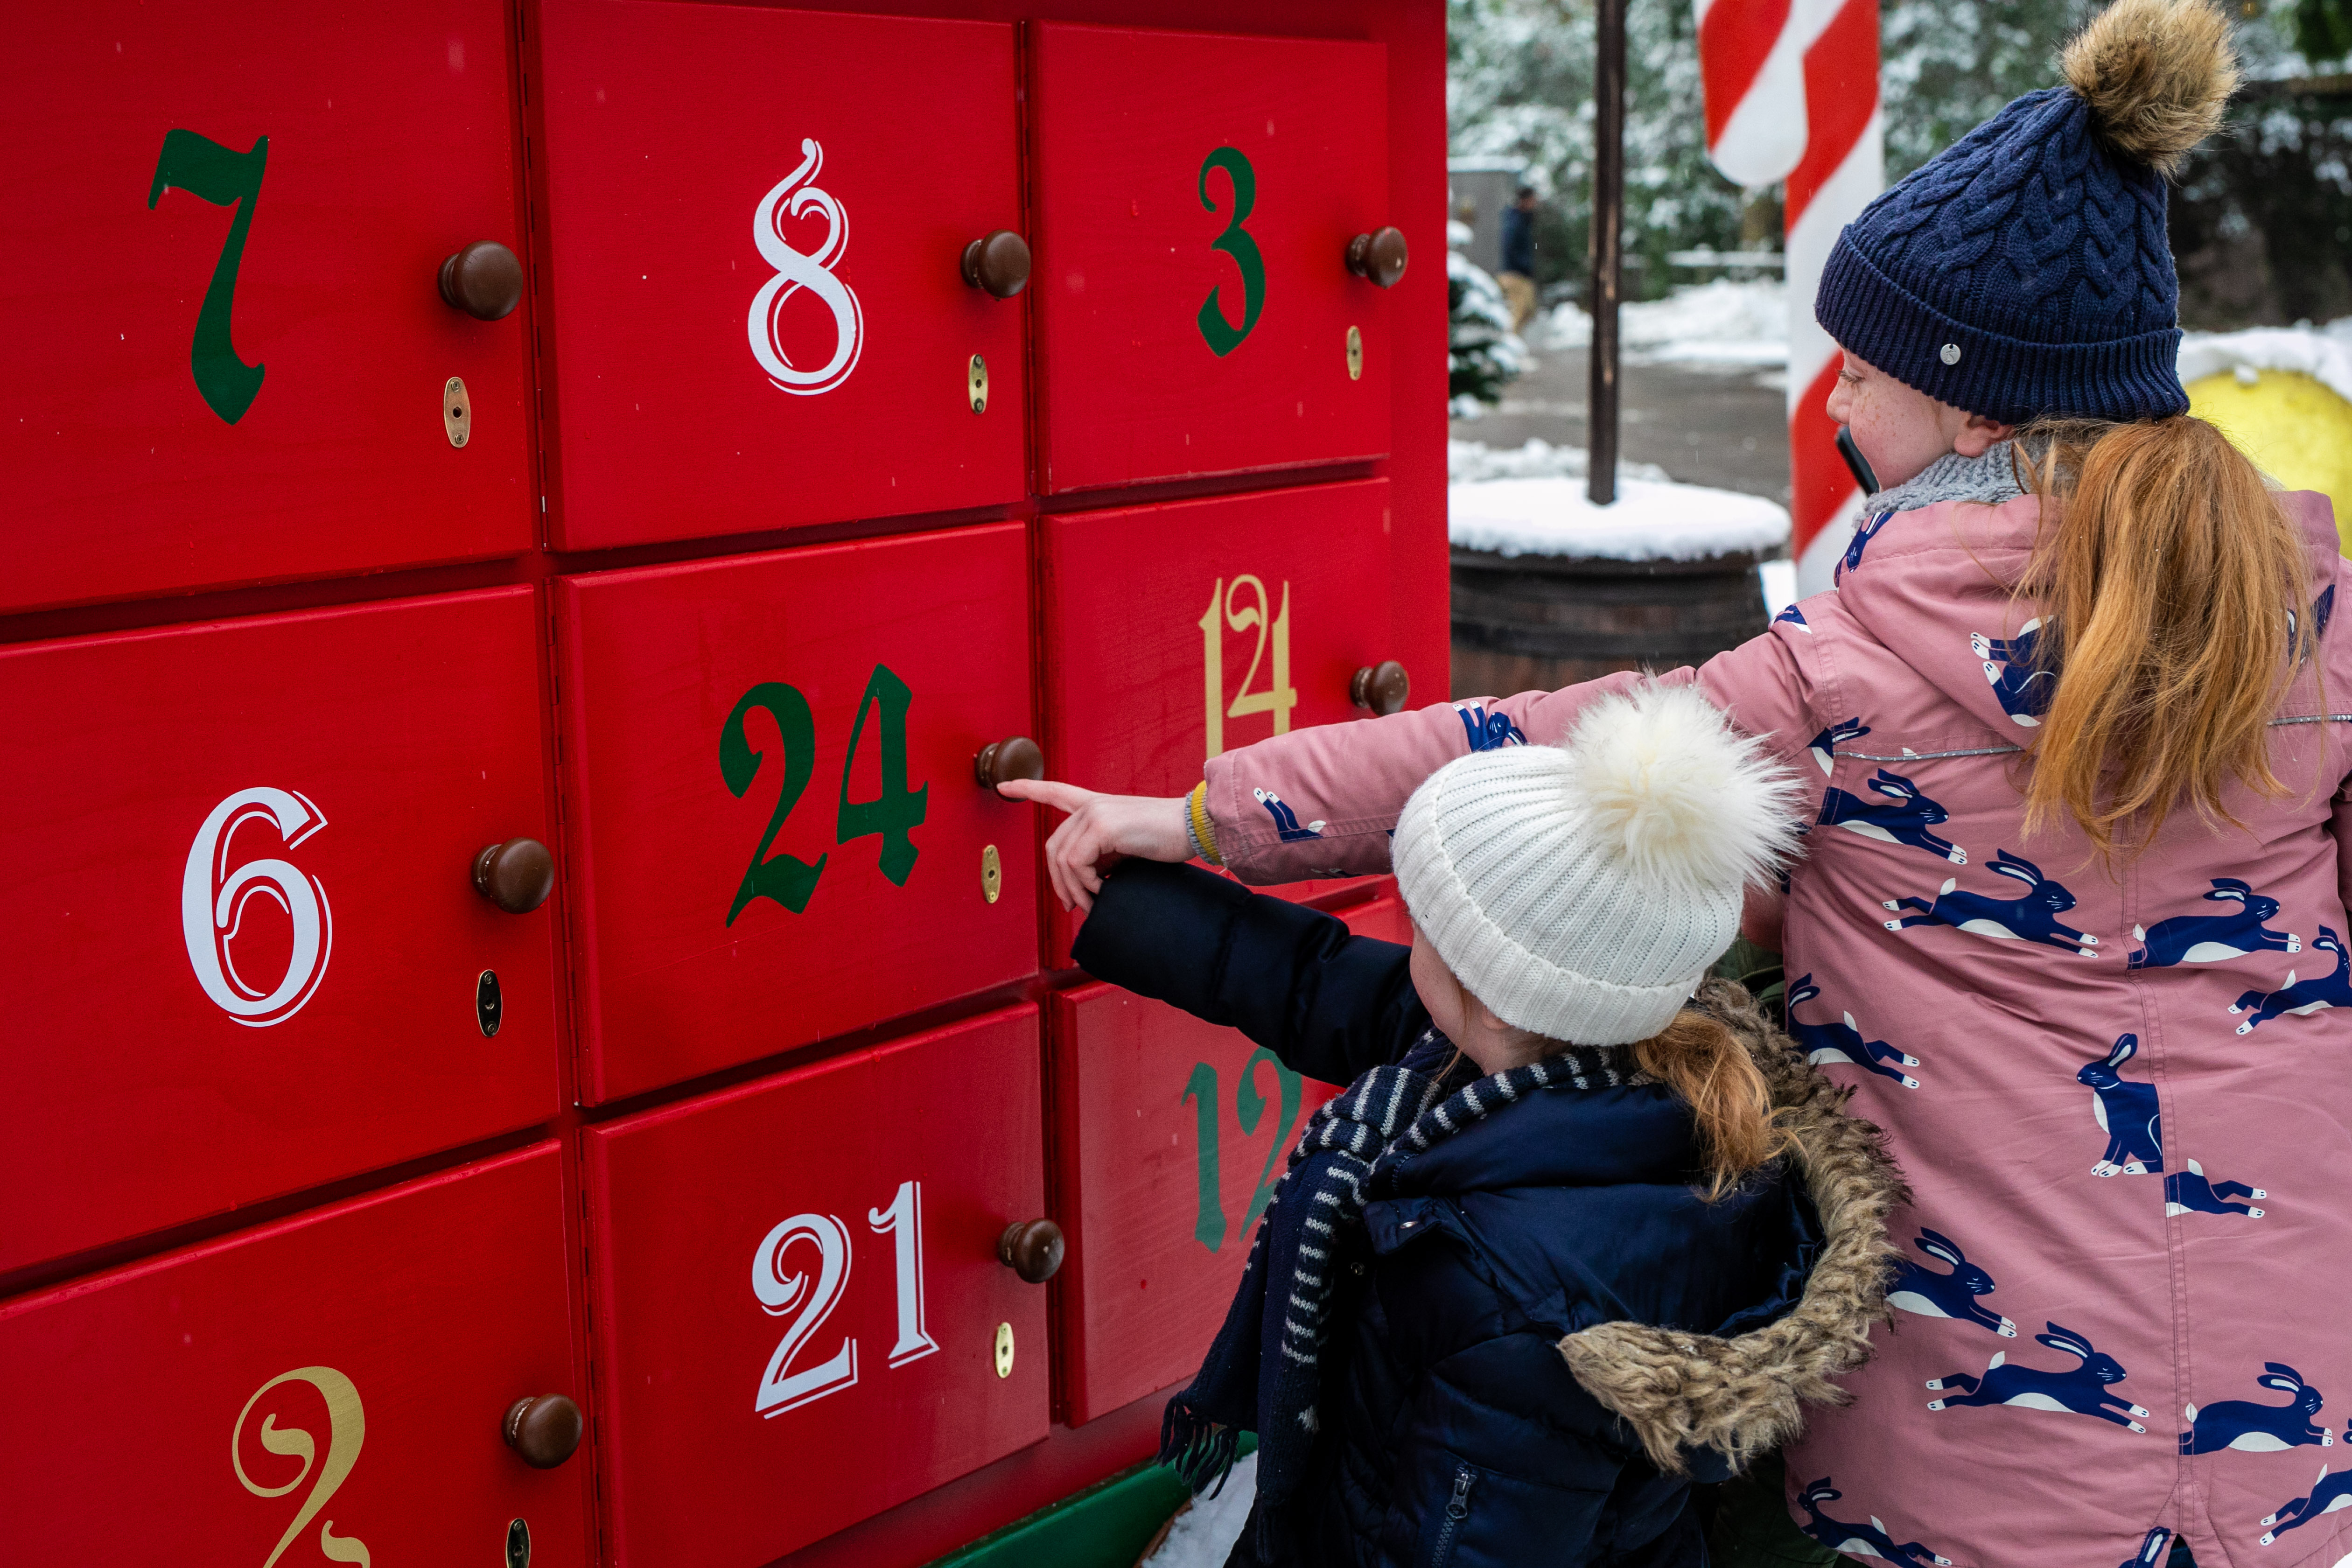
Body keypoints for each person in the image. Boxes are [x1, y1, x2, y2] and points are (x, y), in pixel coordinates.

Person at [1008, 2, 2350, 1562]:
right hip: (2292, 1378)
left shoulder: (1853, 672)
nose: (1840, 403)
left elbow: (1535, 752)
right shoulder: (2313, 623)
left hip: (1991, 1401)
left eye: (1871, 373)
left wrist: (1197, 818)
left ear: (1975, 406)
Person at [1039, 686, 1899, 1568]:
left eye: (1426, 923)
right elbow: (1313, 981)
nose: (1408, 937)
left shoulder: (1508, 1305)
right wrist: (1130, 901)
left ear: (1484, 987)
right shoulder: (1614, 1066)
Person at [1497, 187, 1539, 331]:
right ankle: (1510, 344)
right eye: (1533, 200)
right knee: (1519, 312)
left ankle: (1514, 342)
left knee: (1528, 310)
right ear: (1525, 200)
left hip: (1521, 273)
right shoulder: (1516, 220)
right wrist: (1524, 263)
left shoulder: (1523, 219)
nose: (1535, 203)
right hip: (1514, 273)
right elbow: (1509, 245)